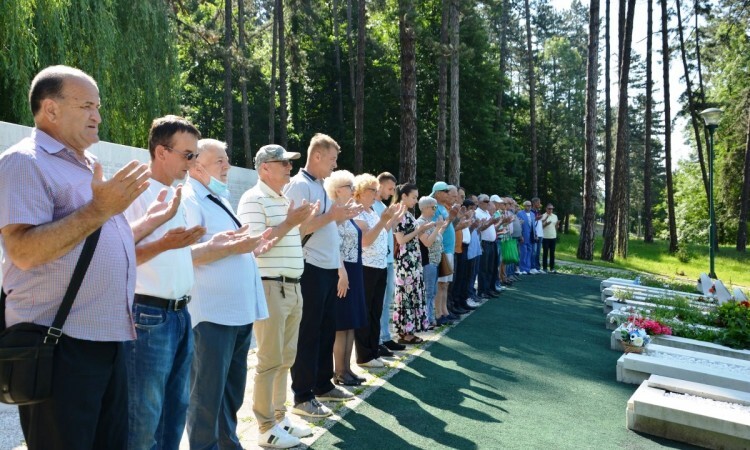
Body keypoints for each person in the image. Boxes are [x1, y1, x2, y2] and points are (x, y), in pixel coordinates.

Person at [0, 65, 152, 450]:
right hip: (60, 343)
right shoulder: (24, 161)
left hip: (104, 338)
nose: (98, 116)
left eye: (97, 106)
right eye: (87, 106)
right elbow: (24, 252)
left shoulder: (83, 164)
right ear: (50, 110)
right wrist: (99, 210)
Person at [183, 138, 275, 449]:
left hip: (236, 313)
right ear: (197, 166)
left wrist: (249, 248)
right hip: (212, 315)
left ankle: (228, 443)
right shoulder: (189, 199)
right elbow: (185, 254)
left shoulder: (216, 198)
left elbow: (228, 246)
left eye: (226, 159)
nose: (228, 166)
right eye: (219, 161)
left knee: (231, 392)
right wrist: (235, 247)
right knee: (206, 396)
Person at [123, 115, 208, 450]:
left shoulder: (181, 195)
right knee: (142, 420)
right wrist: (166, 244)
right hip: (147, 315)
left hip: (179, 315)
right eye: (188, 155)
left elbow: (177, 252)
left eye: (195, 155)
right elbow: (119, 255)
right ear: (161, 152)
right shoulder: (136, 193)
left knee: (174, 414)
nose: (193, 162)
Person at [237, 144, 319, 448]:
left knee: (285, 358)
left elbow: (287, 239)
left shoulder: (283, 199)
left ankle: (280, 417)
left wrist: (301, 223)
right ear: (264, 169)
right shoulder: (252, 199)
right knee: (270, 360)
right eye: (282, 163)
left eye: (288, 163)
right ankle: (265, 427)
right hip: (270, 285)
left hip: (291, 286)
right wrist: (291, 222)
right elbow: (256, 244)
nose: (288, 167)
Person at [283, 134, 361, 418]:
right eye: (331, 159)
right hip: (311, 269)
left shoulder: (319, 187)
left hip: (327, 269)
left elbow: (325, 224)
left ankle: (322, 384)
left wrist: (340, 215)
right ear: (316, 156)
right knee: (308, 333)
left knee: (326, 330)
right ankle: (302, 396)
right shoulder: (299, 186)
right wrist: (332, 217)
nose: (334, 164)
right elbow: (296, 230)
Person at [352, 174, 401, 368]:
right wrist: (383, 221)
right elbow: (365, 241)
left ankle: (373, 351)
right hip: (366, 267)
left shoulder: (371, 211)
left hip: (379, 266)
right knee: (366, 311)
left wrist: (392, 219)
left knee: (376, 310)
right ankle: (364, 355)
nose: (376, 193)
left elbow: (382, 231)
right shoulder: (357, 212)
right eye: (372, 190)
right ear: (360, 192)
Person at [323, 170, 368, 380]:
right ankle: (339, 372)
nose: (353, 190)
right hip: (342, 270)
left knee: (351, 322)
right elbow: (334, 245)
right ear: (338, 190)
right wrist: (342, 273)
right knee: (341, 324)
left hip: (355, 269)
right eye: (350, 186)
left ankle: (347, 369)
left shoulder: (348, 212)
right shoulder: (333, 212)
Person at [393, 183, 435, 344]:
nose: (416, 201)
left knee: (413, 294)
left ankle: (409, 330)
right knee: (406, 296)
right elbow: (401, 239)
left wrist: (426, 228)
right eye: (413, 197)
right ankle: (405, 332)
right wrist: (419, 230)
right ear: (403, 196)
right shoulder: (399, 214)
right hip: (405, 262)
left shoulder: (409, 214)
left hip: (414, 260)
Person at [373, 172, 406, 356]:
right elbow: (377, 230)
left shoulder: (383, 206)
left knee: (386, 302)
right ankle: (377, 339)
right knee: (379, 302)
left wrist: (396, 217)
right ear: (380, 185)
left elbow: (387, 229)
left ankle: (385, 336)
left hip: (387, 260)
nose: (392, 192)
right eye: (390, 188)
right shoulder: (372, 206)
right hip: (378, 260)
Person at [415, 196, 448, 327]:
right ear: (425, 208)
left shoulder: (430, 221)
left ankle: (429, 317)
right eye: (433, 207)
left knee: (432, 291)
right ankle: (427, 319)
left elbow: (437, 238)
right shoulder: (420, 223)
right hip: (427, 261)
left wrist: (442, 226)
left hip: (434, 261)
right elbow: (427, 242)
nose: (435, 210)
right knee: (428, 292)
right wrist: (436, 228)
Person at [517, 200, 534, 275]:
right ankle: (522, 268)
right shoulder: (520, 214)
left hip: (531, 235)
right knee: (523, 252)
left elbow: (533, 225)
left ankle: (528, 268)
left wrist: (535, 234)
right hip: (524, 235)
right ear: (524, 206)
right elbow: (519, 225)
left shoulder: (532, 214)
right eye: (527, 205)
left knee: (530, 251)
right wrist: (520, 235)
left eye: (530, 205)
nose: (529, 207)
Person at [541, 203, 559, 273]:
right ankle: (544, 268)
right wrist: (546, 224)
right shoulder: (543, 216)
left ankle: (552, 268)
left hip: (553, 236)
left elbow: (556, 227)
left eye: (552, 209)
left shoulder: (555, 216)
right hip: (545, 237)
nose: (550, 210)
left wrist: (557, 225)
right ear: (546, 209)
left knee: (552, 253)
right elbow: (541, 227)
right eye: (549, 209)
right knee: (545, 252)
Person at [531, 197, 543, 273]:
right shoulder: (531, 212)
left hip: (540, 233)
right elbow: (531, 222)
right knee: (534, 251)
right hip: (535, 233)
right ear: (534, 203)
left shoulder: (538, 211)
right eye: (538, 203)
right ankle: (532, 266)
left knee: (538, 252)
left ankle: (537, 267)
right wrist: (536, 219)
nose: (539, 204)